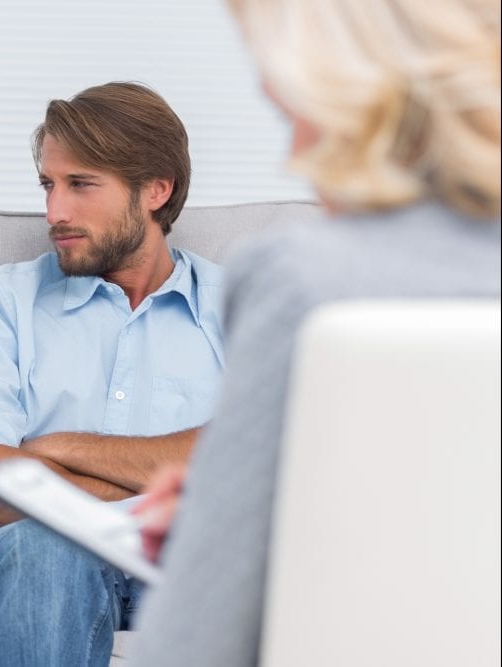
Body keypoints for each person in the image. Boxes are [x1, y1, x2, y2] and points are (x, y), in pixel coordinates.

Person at [130, 0, 501, 664]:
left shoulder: (306, 280)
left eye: (291, 116)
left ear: (363, 103)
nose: (296, 158)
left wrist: (217, 542)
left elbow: (190, 649)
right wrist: (267, 503)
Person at [0, 81, 226, 666]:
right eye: (48, 185)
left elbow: (258, 466)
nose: (54, 211)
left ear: (156, 190)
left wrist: (59, 449)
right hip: (28, 565)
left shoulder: (241, 308)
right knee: (53, 545)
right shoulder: (4, 302)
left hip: (192, 571)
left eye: (81, 185)